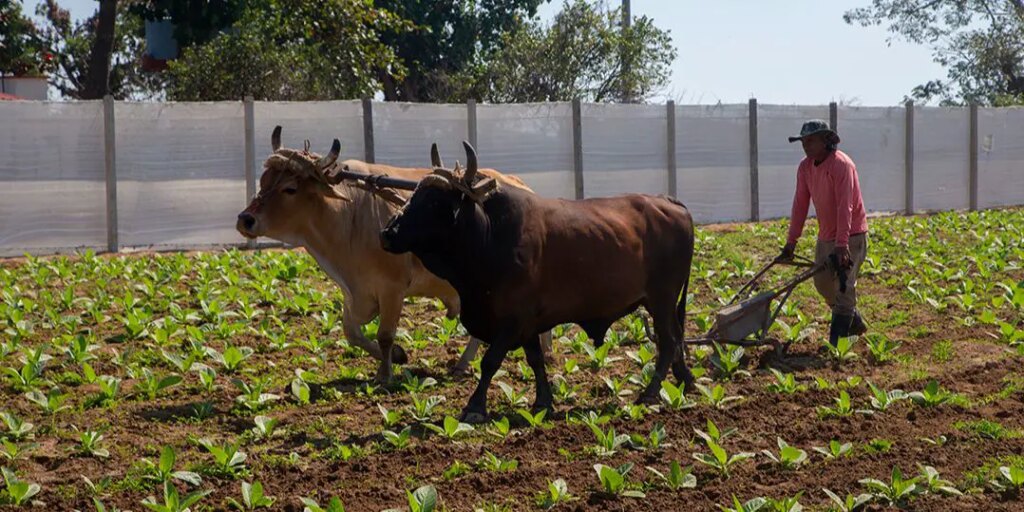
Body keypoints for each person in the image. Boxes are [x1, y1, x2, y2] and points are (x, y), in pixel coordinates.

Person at [777, 120, 869, 346]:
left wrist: (842, 245)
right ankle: (853, 319)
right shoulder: (805, 167)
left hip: (852, 235)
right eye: (803, 142)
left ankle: (838, 345)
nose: (805, 146)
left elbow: (845, 206)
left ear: (825, 141)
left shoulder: (841, 165)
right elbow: (800, 204)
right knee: (822, 284)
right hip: (826, 236)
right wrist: (791, 242)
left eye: (810, 141)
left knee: (844, 286)